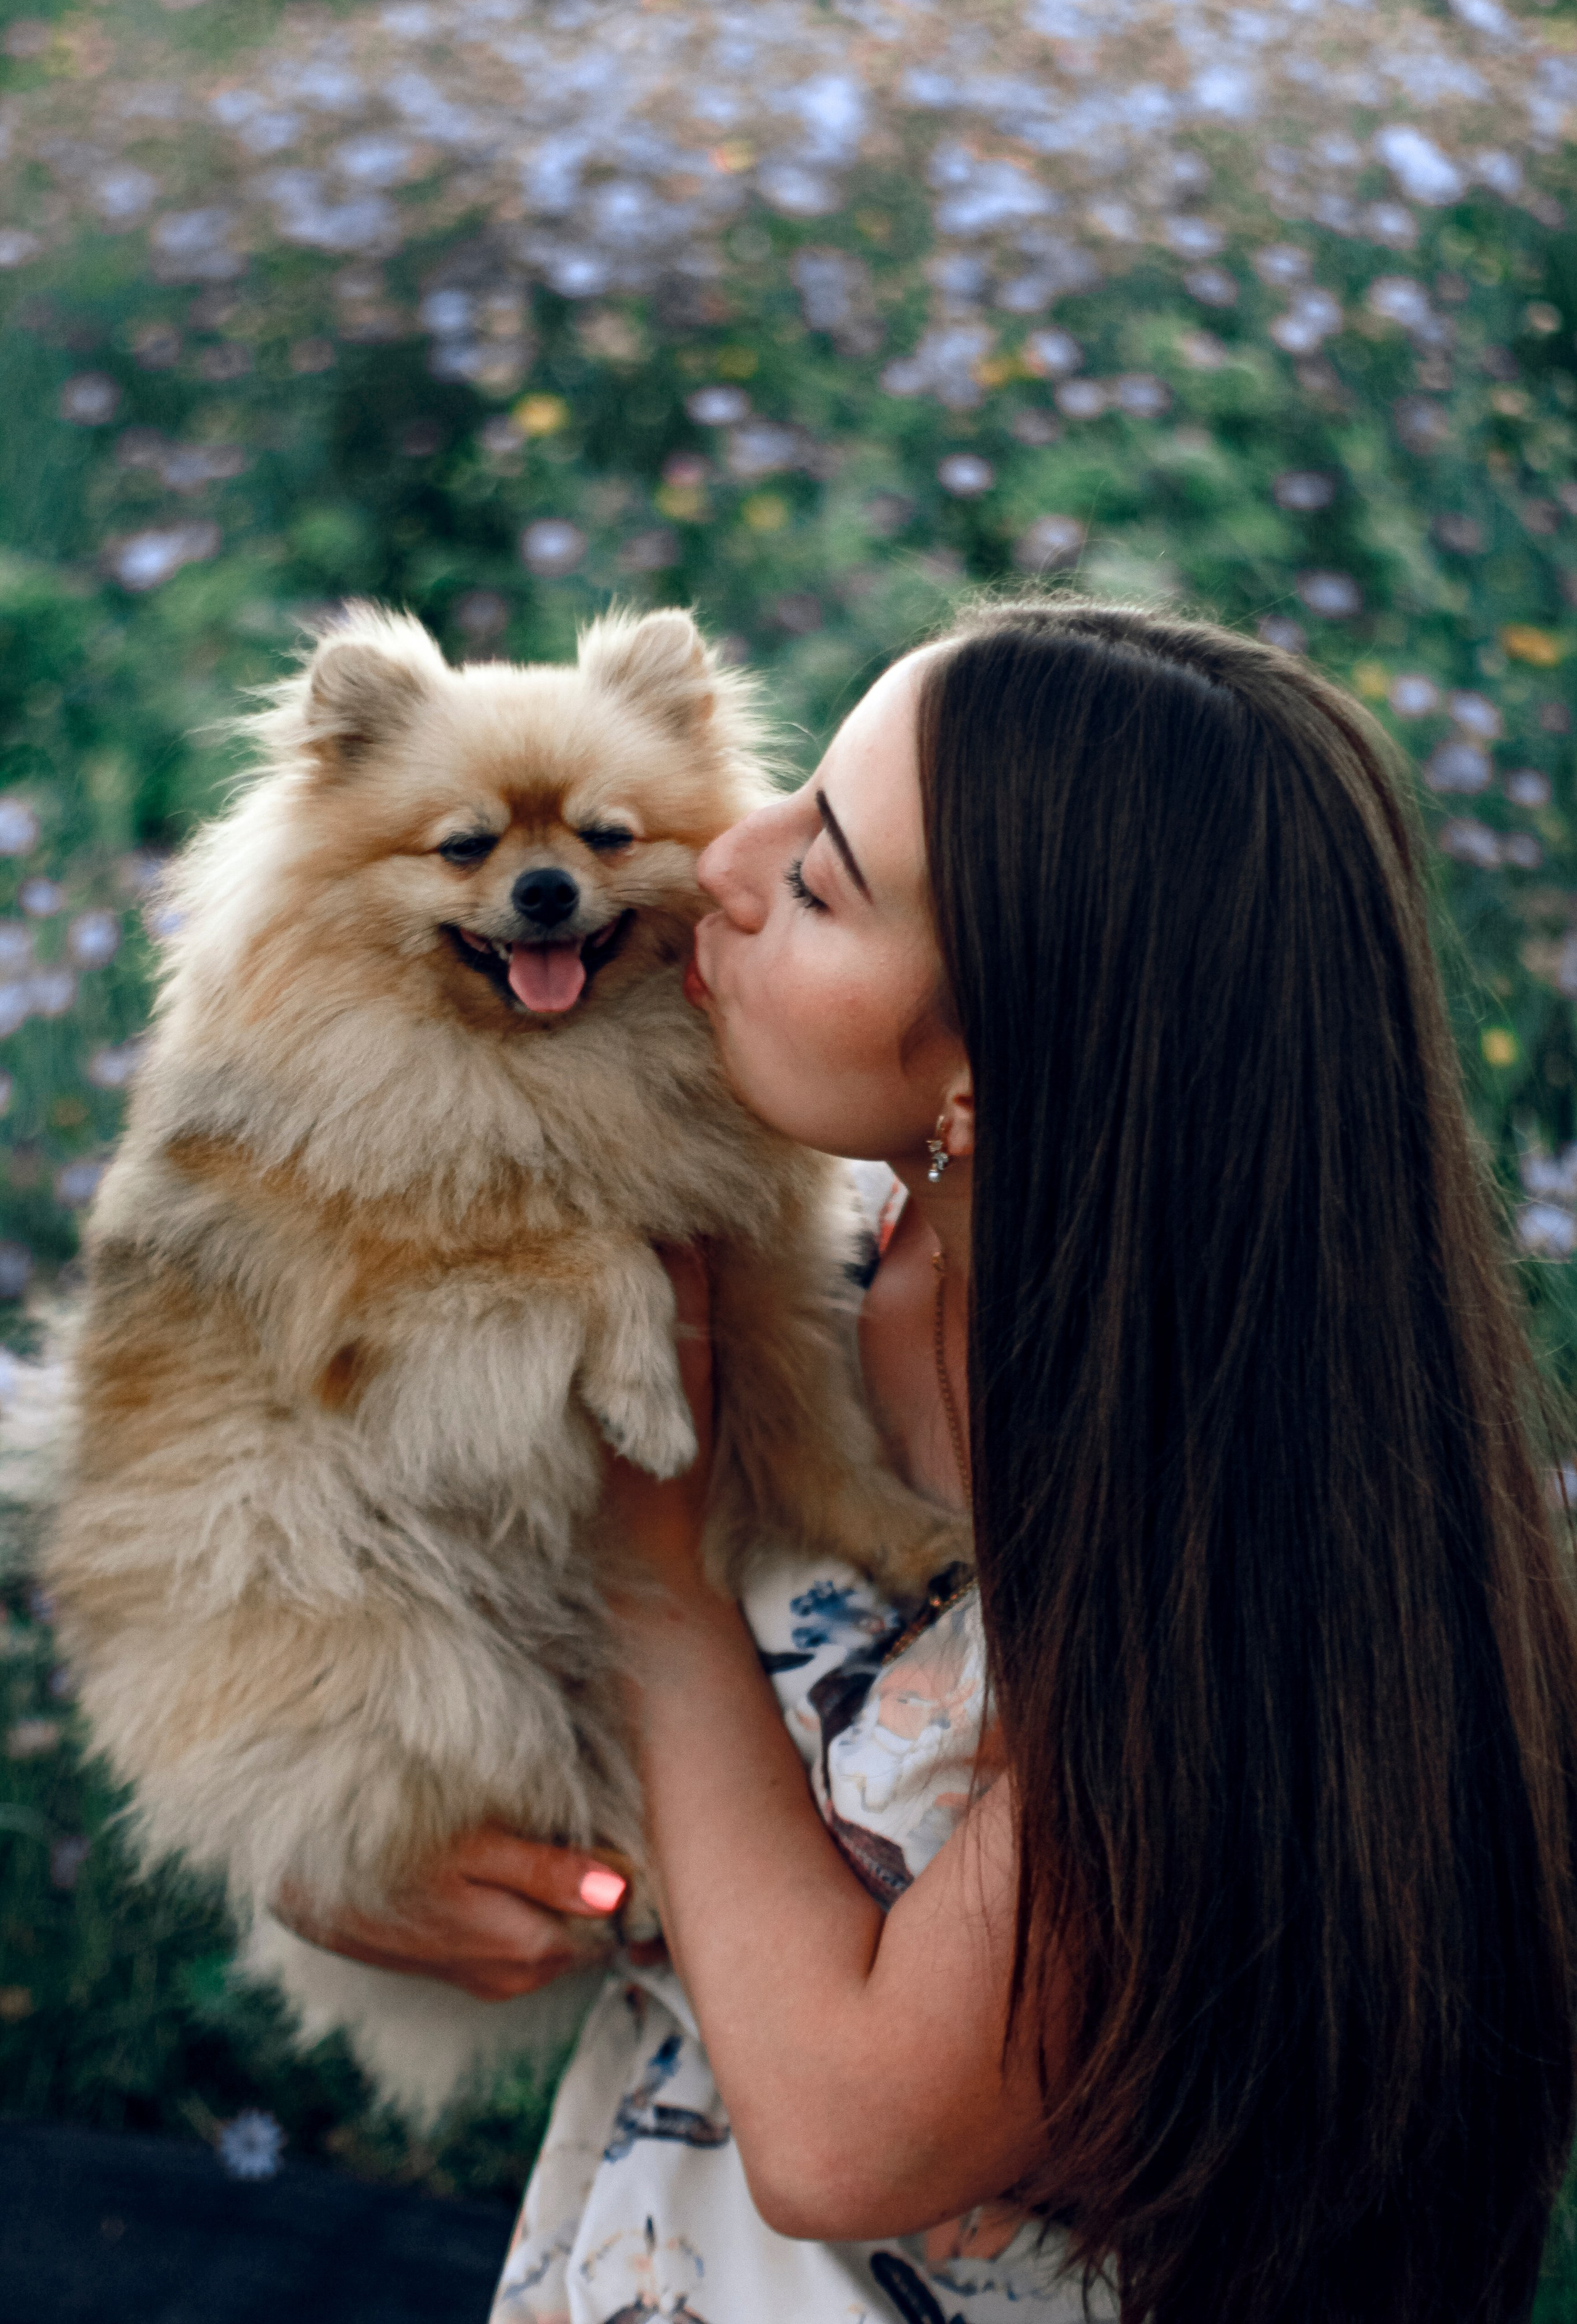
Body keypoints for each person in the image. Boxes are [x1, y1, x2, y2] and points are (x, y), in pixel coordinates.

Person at [293, 596, 1577, 2324]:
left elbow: (847, 2133)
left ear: (995, 1066)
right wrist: (358, 1871)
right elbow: (356, 1664)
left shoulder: (1232, 1543)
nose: (719, 859)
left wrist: (649, 1567)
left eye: (822, 879)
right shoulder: (775, 1272)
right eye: (798, 791)